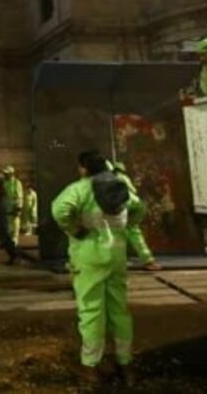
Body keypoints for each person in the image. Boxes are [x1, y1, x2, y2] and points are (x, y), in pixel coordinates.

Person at [52, 150, 145, 387]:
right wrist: (125, 228)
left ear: (84, 168)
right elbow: (139, 208)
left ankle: (90, 366)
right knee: (119, 311)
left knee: (92, 311)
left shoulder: (80, 188)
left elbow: (59, 210)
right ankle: (126, 364)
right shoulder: (119, 186)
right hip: (117, 256)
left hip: (89, 256)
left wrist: (74, 229)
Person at [111, 161, 162, 272]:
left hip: (123, 206)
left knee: (115, 233)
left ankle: (118, 261)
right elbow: (134, 190)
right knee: (133, 231)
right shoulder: (124, 177)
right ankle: (148, 260)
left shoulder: (110, 178)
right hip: (137, 204)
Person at [3, 165, 24, 246]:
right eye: (5, 173)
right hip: (5, 205)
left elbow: (19, 196)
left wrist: (19, 206)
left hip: (14, 204)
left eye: (7, 174)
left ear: (11, 174)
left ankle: (14, 239)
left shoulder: (16, 183)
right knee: (6, 223)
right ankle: (7, 240)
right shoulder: (4, 182)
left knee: (15, 222)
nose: (5, 175)